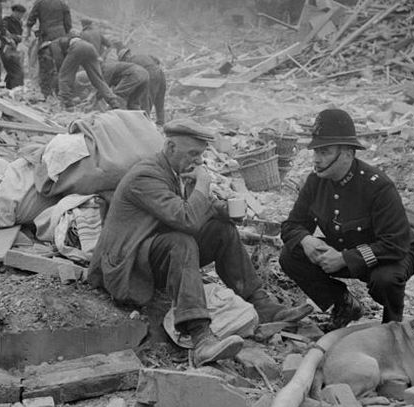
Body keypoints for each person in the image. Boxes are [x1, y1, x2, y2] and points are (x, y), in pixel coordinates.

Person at [87, 119, 311, 366]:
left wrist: (224, 210)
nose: (198, 161)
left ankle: (261, 304)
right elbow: (186, 219)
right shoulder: (146, 175)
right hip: (126, 264)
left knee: (221, 230)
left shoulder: (176, 170)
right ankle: (200, 336)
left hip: (150, 250)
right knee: (181, 242)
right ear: (170, 147)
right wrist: (203, 185)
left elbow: (195, 207)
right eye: (192, 153)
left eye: (200, 154)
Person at [279, 108, 414, 329]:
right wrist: (306, 240)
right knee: (290, 255)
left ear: (347, 153)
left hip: (392, 254)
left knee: (385, 280)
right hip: (345, 248)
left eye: (325, 152)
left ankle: (393, 325)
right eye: (315, 152)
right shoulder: (316, 182)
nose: (316, 160)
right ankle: (344, 303)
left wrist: (346, 259)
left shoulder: (377, 185)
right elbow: (291, 225)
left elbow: (395, 244)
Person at [41, 30, 122, 110]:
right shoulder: (65, 41)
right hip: (90, 48)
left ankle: (64, 102)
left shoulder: (54, 44)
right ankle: (113, 101)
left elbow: (60, 63)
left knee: (63, 76)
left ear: (46, 48)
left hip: (78, 47)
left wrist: (58, 75)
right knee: (97, 79)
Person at [25, 0, 72, 96]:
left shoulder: (40, 2)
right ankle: (61, 92)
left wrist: (27, 33)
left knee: (45, 65)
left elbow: (31, 19)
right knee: (60, 65)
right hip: (61, 38)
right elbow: (68, 24)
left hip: (46, 37)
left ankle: (46, 93)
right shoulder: (62, 3)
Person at [117, 45, 166, 125]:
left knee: (146, 100)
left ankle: (146, 124)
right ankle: (161, 122)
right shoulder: (143, 56)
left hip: (151, 74)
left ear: (124, 58)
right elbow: (157, 60)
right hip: (160, 72)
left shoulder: (129, 63)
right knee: (160, 100)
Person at [0, 3, 26, 89]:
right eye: (19, 13)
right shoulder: (6, 21)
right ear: (14, 12)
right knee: (17, 73)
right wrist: (16, 37)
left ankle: (9, 90)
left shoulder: (20, 22)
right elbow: (2, 33)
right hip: (7, 48)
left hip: (14, 49)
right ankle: (16, 90)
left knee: (12, 72)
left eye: (22, 14)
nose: (21, 16)